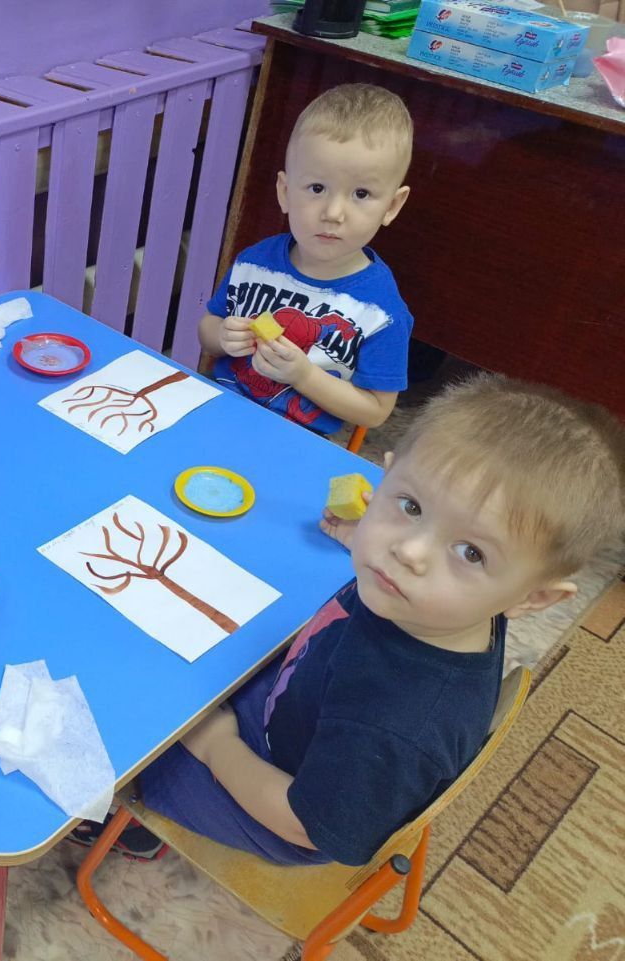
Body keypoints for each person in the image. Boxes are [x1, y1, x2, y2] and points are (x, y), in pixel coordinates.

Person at [101, 374, 625, 864]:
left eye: (471, 553)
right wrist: (362, 534)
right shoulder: (436, 601)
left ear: (533, 598)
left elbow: (306, 826)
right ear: (386, 475)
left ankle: (132, 826)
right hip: (297, 710)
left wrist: (219, 747)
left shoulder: (397, 725)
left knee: (126, 733)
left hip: (277, 807)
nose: (408, 552)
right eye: (411, 506)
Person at [199, 83, 414, 436]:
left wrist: (304, 376)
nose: (333, 213)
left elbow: (375, 411)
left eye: (361, 194)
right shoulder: (255, 262)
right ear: (285, 192)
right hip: (219, 405)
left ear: (392, 206)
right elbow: (208, 328)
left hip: (295, 438)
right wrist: (222, 336)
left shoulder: (382, 312)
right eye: (317, 188)